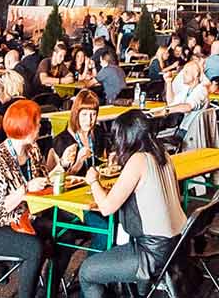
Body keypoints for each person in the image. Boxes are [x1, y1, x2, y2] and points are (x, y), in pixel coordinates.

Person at [78, 109, 187, 298]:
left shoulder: (138, 160)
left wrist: (93, 181)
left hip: (152, 252)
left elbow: (106, 208)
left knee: (86, 272)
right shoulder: (163, 154)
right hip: (177, 244)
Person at [0, 100, 50, 298]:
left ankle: (48, 290)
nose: (40, 126)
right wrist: (25, 189)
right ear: (26, 127)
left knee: (64, 232)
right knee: (34, 248)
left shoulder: (33, 149)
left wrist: (64, 168)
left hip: (28, 217)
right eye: (37, 123)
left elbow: (44, 180)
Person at [52, 90, 102, 174]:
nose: (89, 120)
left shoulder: (98, 133)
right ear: (76, 114)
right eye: (84, 114)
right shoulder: (62, 141)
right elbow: (61, 177)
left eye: (93, 114)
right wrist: (79, 162)